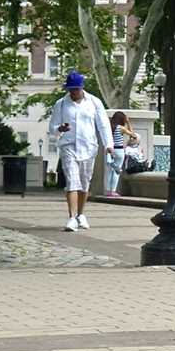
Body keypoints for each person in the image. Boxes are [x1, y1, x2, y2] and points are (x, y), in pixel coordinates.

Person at [49, 71, 113, 231]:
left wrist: (108, 144)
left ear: (82, 87)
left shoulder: (94, 102)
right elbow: (52, 128)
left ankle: (80, 214)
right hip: (68, 146)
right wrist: (60, 128)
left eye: (76, 89)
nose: (73, 92)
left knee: (84, 183)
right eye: (70, 89)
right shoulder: (61, 104)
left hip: (88, 147)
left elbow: (103, 124)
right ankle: (71, 217)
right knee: (72, 181)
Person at [104, 111, 139, 197]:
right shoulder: (121, 128)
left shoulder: (109, 127)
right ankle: (113, 191)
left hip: (109, 150)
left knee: (109, 171)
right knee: (116, 171)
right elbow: (133, 135)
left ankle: (107, 191)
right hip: (119, 151)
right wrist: (128, 122)